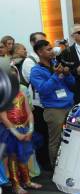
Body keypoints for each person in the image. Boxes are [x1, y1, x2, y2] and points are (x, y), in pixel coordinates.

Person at [29, 39, 75, 170]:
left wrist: (66, 74)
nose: (52, 51)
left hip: (69, 105)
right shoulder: (36, 71)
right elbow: (43, 89)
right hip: (54, 109)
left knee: (72, 138)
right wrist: (56, 75)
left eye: (51, 48)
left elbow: (71, 83)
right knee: (56, 141)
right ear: (39, 52)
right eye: (48, 50)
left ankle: (71, 165)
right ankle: (57, 169)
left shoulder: (56, 63)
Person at [0, 68, 41, 194]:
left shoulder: (21, 94)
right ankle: (15, 184)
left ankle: (27, 181)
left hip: (24, 128)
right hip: (9, 131)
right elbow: (3, 116)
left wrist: (30, 130)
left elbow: (29, 113)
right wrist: (16, 134)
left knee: (24, 156)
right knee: (13, 157)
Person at [20, 32, 51, 172]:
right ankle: (44, 163)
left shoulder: (52, 60)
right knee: (43, 135)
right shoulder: (29, 61)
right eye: (41, 42)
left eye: (46, 42)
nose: (45, 44)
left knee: (52, 135)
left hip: (52, 101)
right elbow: (34, 80)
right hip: (38, 103)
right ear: (33, 44)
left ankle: (50, 161)